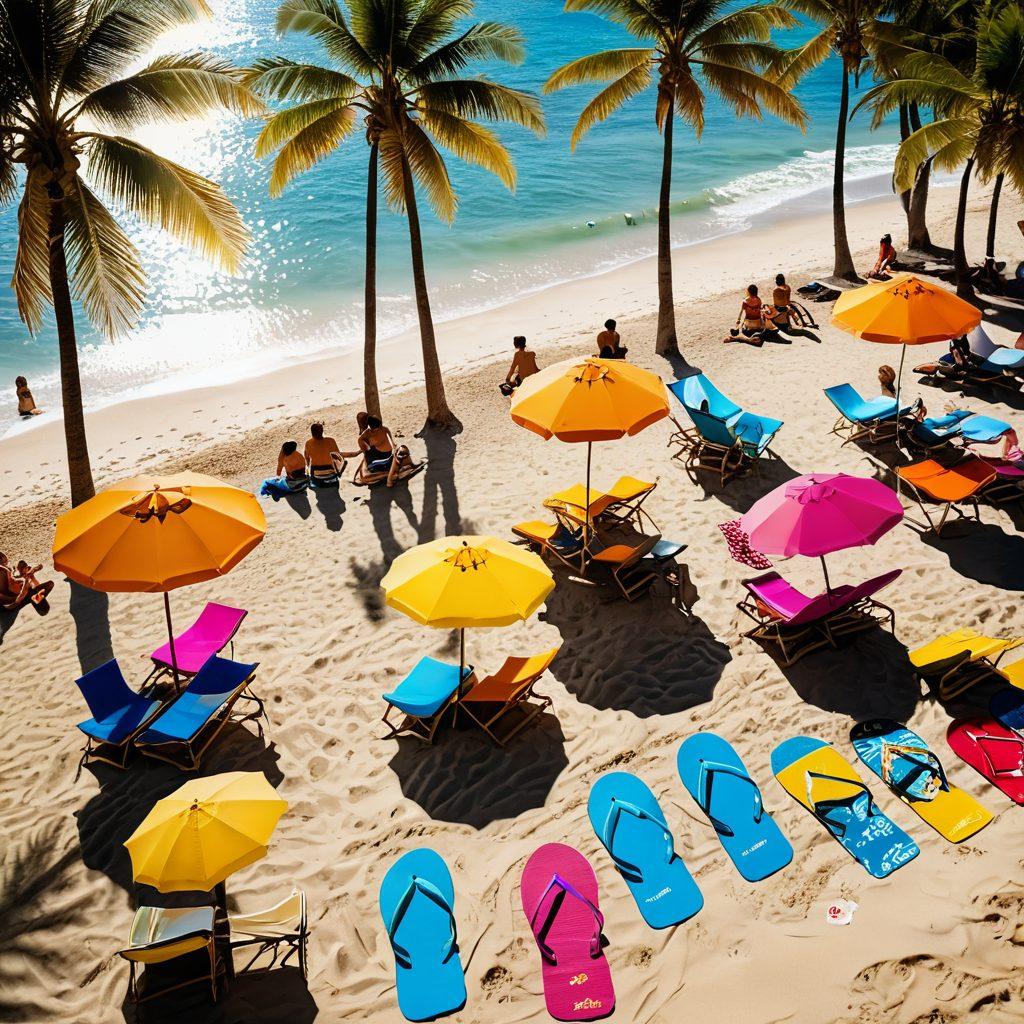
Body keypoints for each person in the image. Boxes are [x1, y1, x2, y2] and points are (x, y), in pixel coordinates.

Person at [357, 414, 419, 487]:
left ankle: (388, 475)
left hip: (376, 462)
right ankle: (389, 476)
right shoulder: (381, 430)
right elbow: (392, 445)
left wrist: (392, 443)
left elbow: (366, 452)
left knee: (367, 467)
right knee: (401, 450)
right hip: (382, 461)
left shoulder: (366, 435)